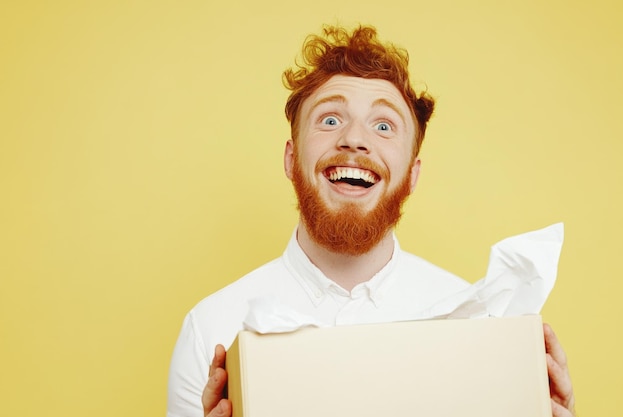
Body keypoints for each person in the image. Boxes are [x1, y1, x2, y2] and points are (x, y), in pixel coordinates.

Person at [167, 25, 576, 417]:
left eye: (383, 126)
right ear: (292, 160)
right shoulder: (211, 328)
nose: (354, 138)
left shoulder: (478, 327)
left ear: (412, 174)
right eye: (330, 119)